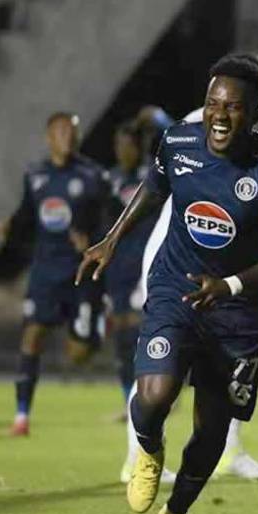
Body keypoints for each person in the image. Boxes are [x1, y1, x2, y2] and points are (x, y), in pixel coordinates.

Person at [77, 53, 258, 514]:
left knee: (212, 431)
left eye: (233, 107)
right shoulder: (179, 141)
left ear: (254, 113)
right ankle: (149, 449)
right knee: (154, 395)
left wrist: (230, 287)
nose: (219, 116)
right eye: (212, 103)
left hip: (236, 311)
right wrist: (112, 239)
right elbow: (154, 188)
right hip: (176, 286)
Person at [120, 55, 258, 482]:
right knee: (161, 359)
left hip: (221, 267)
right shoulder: (207, 120)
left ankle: (229, 450)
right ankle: (137, 455)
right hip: (178, 259)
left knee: (228, 362)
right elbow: (180, 155)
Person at [0, 112, 109, 436]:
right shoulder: (35, 175)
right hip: (46, 271)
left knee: (79, 354)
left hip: (81, 274)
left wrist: (92, 238)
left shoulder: (92, 175)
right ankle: (21, 417)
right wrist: (11, 227)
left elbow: (109, 220)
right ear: (49, 137)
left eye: (72, 131)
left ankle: (92, 331)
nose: (67, 137)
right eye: (60, 131)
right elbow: (26, 217)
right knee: (32, 337)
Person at [105, 123, 159, 422]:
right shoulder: (110, 179)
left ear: (139, 147)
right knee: (123, 338)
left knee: (144, 334)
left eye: (128, 145)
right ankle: (130, 402)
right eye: (118, 145)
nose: (122, 151)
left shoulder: (153, 176)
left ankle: (156, 394)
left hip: (147, 264)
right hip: (118, 268)